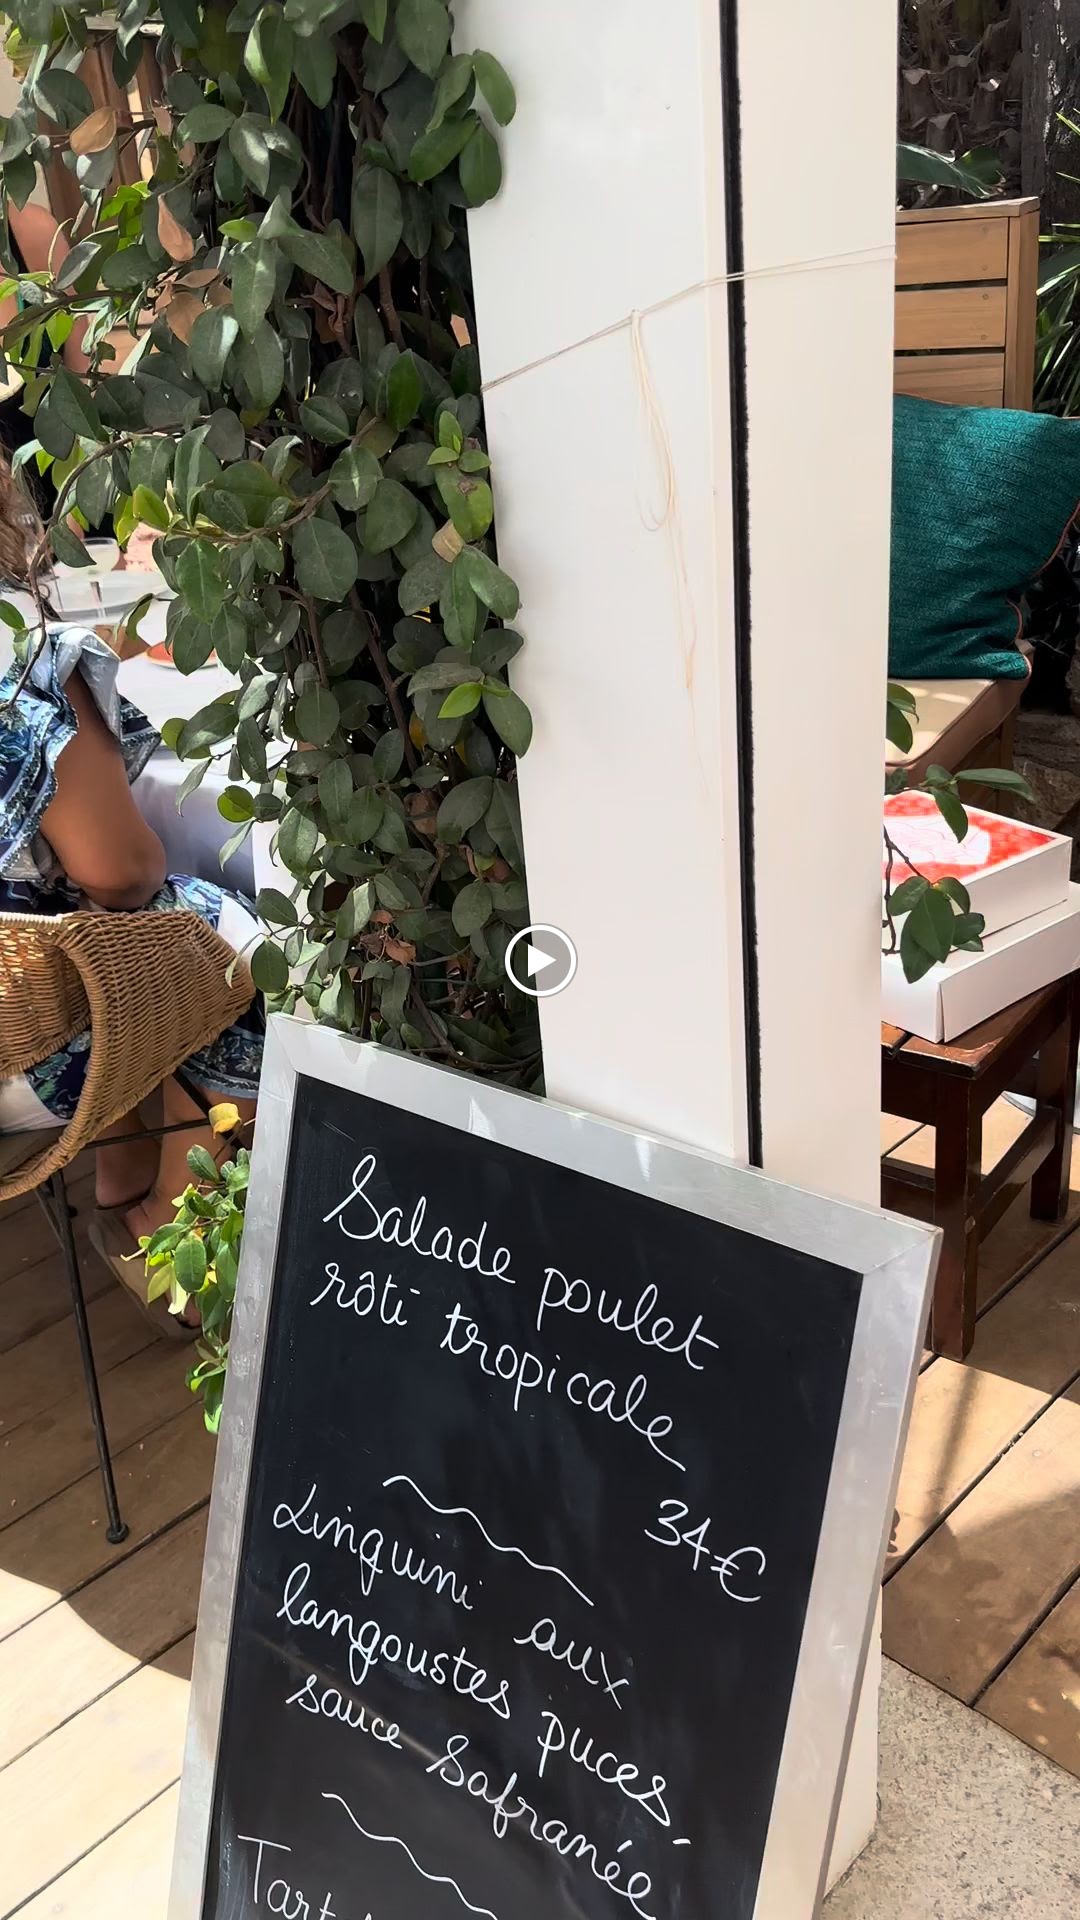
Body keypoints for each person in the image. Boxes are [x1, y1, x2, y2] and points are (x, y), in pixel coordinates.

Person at [0, 457, 263, 1339]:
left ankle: (120, 1176)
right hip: (24, 1056)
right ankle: (167, 1233)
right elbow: (122, 870)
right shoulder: (16, 655)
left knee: (111, 938)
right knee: (230, 944)